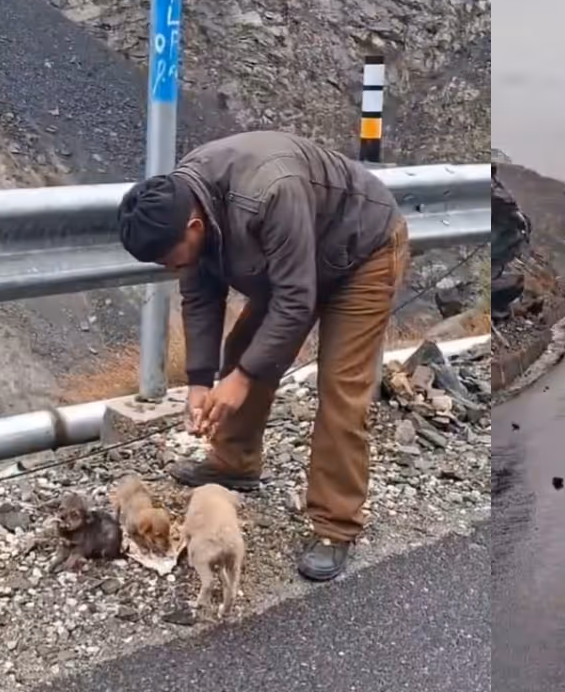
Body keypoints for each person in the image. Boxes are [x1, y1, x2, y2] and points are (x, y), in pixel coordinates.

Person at [116, 130, 410, 582]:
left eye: (171, 261)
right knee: (239, 352)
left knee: (341, 389)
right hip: (298, 264)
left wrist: (243, 379)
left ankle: (335, 525)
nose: (172, 270)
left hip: (360, 254)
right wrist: (199, 382)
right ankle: (234, 464)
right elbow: (200, 299)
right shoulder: (185, 200)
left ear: (193, 227)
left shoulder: (270, 191)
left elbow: (295, 301)